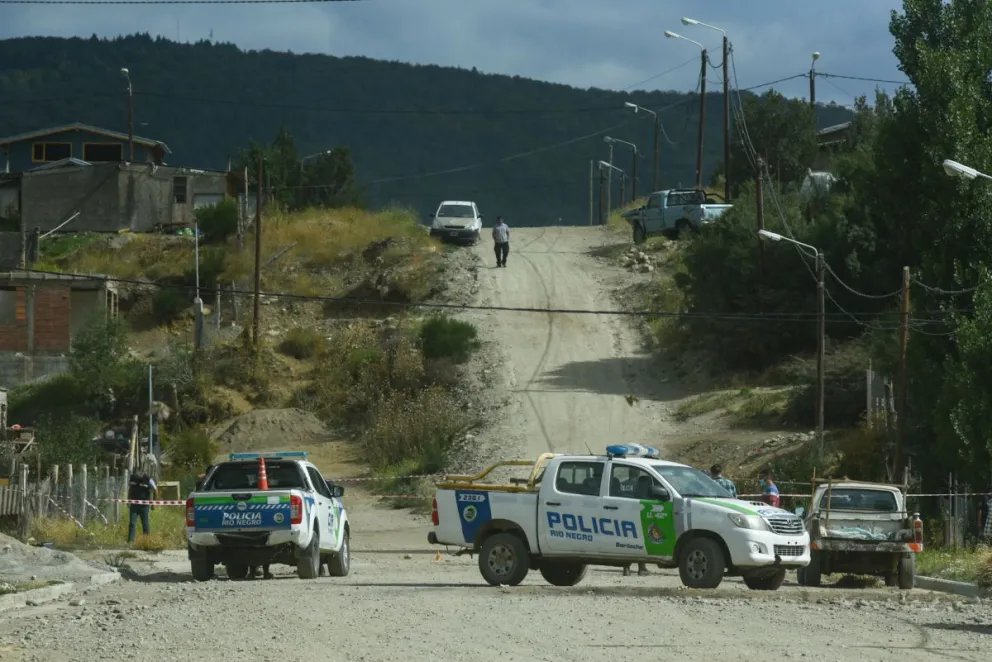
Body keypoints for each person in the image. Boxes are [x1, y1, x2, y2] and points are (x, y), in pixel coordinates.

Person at [127, 469, 158, 544]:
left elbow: (156, 490)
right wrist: (128, 500)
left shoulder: (148, 479)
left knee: (145, 524)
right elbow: (130, 489)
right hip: (134, 505)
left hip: (144, 506)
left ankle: (146, 541)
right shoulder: (133, 478)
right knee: (132, 523)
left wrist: (153, 503)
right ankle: (130, 542)